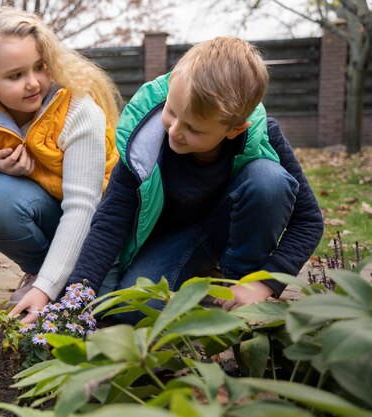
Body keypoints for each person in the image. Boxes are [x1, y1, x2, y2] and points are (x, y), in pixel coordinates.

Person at [67, 36, 324, 324]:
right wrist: (79, 294)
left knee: (269, 180)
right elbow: (111, 220)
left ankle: (236, 291)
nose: (175, 131)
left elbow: (309, 221)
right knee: (129, 312)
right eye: (172, 113)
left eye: (193, 129)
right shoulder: (144, 144)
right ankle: (201, 287)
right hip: (170, 242)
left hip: (232, 234)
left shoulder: (266, 138)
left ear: (235, 130)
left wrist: (264, 284)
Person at [0, 8, 122, 324]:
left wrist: (45, 290)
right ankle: (44, 270)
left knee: (115, 312)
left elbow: (84, 207)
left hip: (102, 229)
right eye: (15, 75)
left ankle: (59, 279)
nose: (33, 83)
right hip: (52, 216)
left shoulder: (79, 110)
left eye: (40, 67)